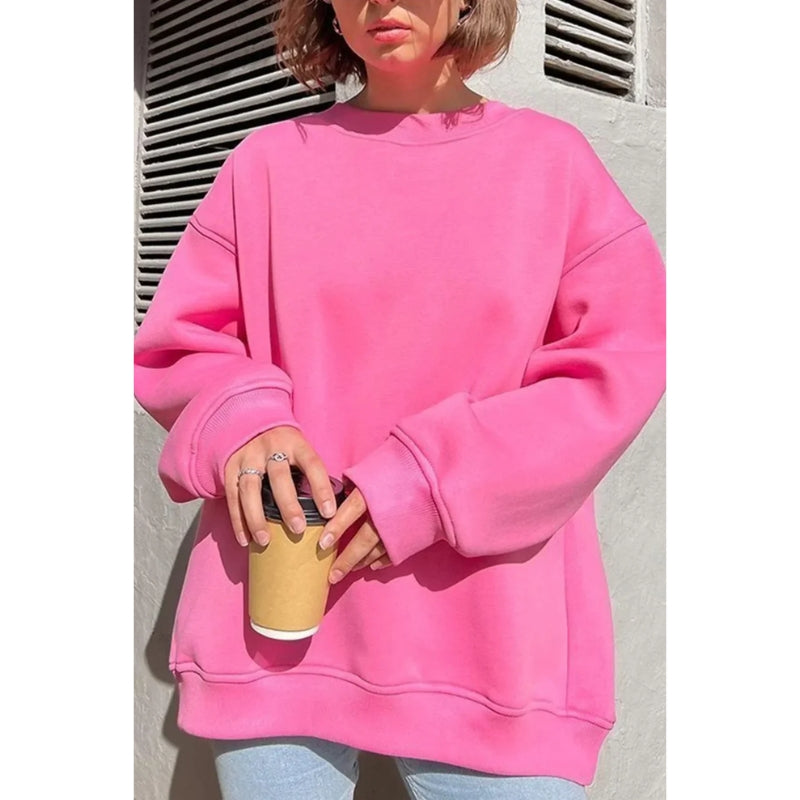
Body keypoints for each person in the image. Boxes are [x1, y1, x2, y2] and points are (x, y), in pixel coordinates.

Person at [133, 0, 666, 797]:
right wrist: (244, 422)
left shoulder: (551, 165)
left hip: (493, 646)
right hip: (279, 616)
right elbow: (181, 344)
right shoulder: (267, 164)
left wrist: (424, 484)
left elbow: (615, 368)